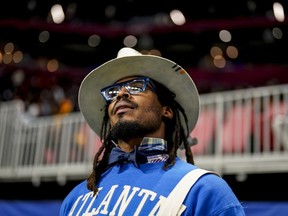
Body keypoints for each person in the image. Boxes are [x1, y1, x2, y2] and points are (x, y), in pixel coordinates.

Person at [59, 47, 246, 215]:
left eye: (136, 86)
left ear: (167, 110)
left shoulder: (205, 191)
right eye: (113, 92)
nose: (121, 94)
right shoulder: (74, 199)